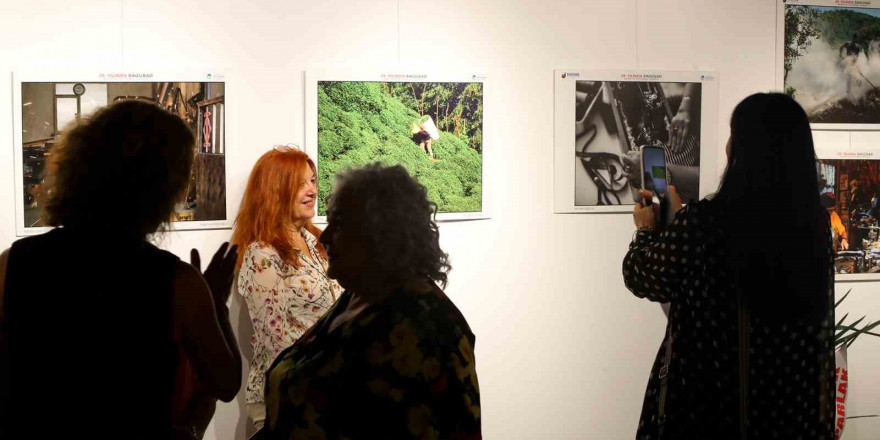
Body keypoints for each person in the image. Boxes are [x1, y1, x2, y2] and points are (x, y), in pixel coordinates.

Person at [0, 100, 241, 439]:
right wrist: (216, 304)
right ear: (163, 188)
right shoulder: (177, 282)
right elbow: (226, 383)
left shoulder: (15, 262)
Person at [623, 93, 835, 439]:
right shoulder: (814, 226)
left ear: (742, 148)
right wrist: (681, 220)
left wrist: (648, 229)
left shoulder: (705, 222)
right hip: (789, 411)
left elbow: (644, 277)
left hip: (709, 410)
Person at [260, 164, 481, 439]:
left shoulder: (429, 325)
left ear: (379, 232)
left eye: (339, 224)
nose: (325, 237)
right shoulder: (356, 295)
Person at [231, 146, 342, 431]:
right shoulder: (262, 254)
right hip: (286, 397)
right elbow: (275, 338)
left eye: (313, 180)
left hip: (330, 393)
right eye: (300, 183)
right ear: (275, 191)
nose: (312, 190)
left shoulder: (319, 243)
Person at [840, 34, 862, 98]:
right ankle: (848, 91)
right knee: (849, 75)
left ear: (857, 39)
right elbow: (841, 47)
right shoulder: (848, 44)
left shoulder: (857, 47)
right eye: (854, 38)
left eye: (856, 38)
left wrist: (854, 62)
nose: (855, 39)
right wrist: (840, 55)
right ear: (853, 38)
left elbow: (857, 56)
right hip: (847, 62)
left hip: (853, 62)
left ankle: (857, 88)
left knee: (858, 75)